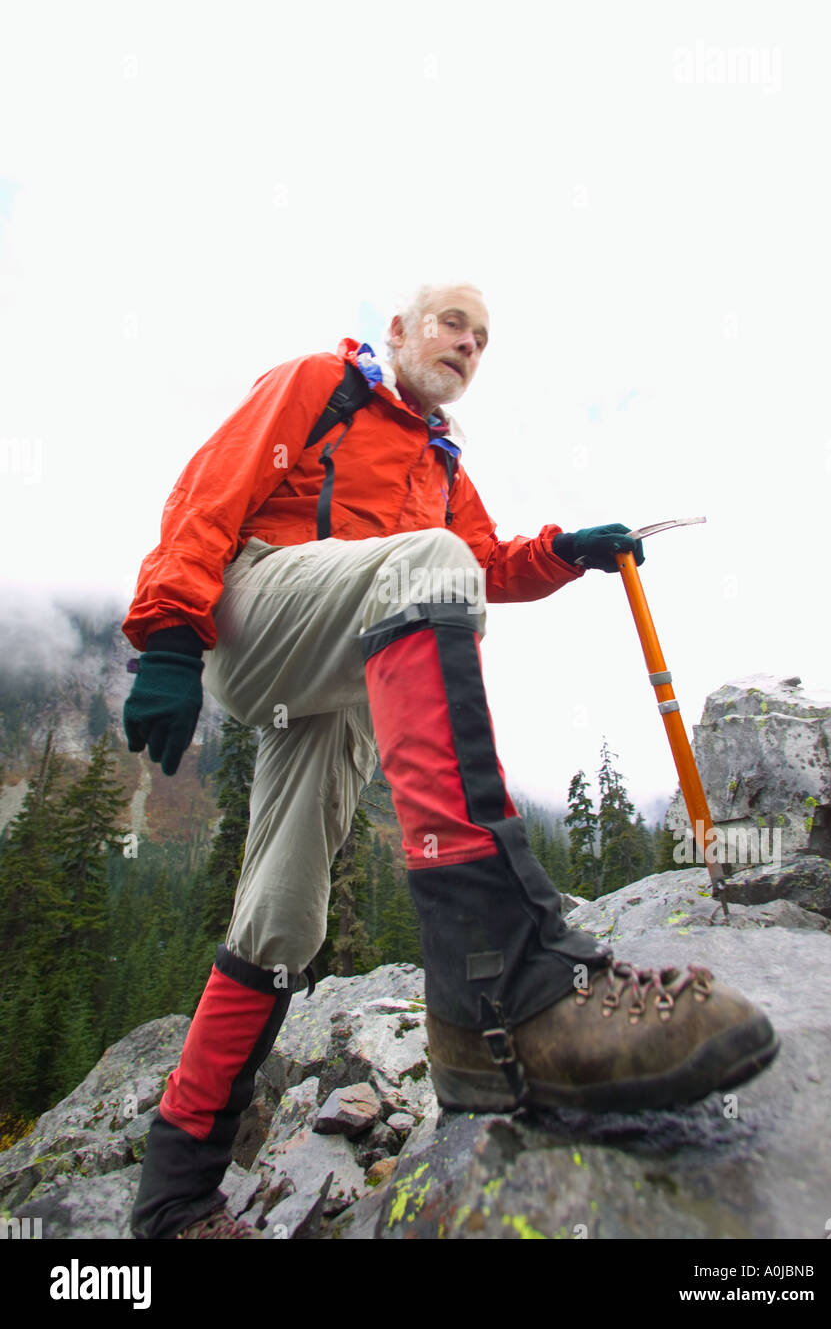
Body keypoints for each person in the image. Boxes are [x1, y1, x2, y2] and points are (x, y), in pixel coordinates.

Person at [122, 282, 779, 1239]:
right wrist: (172, 634)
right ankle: (504, 987)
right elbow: (210, 488)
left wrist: (566, 551)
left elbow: (486, 562)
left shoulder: (441, 466)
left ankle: (174, 1196)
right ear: (398, 331)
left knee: (283, 922)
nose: (467, 345)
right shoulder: (321, 385)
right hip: (255, 610)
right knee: (426, 562)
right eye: (451, 324)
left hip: (339, 669)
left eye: (482, 339)